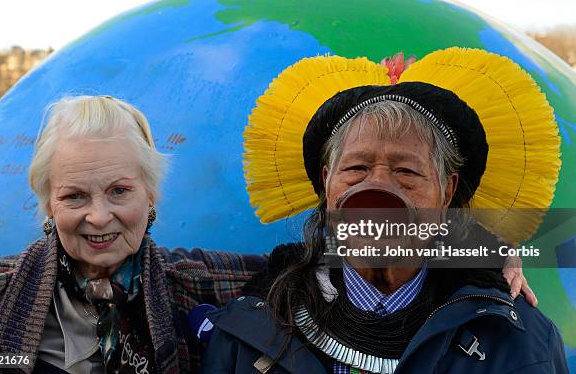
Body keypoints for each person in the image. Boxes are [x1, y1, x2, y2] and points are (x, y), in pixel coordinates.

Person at [201, 48, 568, 373]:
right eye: (356, 169)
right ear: (328, 185)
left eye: (406, 172)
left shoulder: (515, 340)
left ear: (446, 193)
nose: (376, 188)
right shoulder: (251, 329)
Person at [0, 95, 266, 373]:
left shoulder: (198, 286)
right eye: (74, 196)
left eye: (119, 191)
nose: (98, 217)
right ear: (48, 204)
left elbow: (302, 273)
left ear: (150, 194)